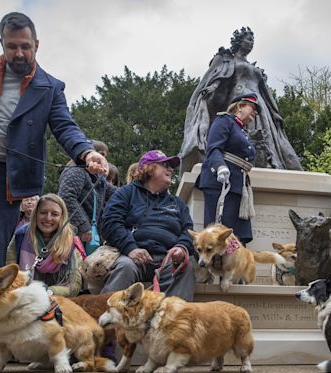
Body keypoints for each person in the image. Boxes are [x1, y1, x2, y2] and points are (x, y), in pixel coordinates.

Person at [0, 12, 107, 364]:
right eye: (12, 46)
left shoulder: (50, 87)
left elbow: (65, 127)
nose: (19, 53)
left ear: (36, 45)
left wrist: (86, 153)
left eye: (26, 46)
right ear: (2, 45)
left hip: (4, 181)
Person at [180, 26, 302, 174]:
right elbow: (214, 78)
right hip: (240, 103)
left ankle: (266, 164)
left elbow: (265, 92)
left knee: (265, 137)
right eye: (248, 39)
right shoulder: (225, 59)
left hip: (259, 106)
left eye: (253, 40)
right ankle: (244, 163)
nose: (251, 43)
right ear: (238, 41)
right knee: (243, 132)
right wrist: (212, 89)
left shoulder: (253, 67)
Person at [100, 150, 196, 301]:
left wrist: (182, 247)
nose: (170, 169)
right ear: (148, 168)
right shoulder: (125, 193)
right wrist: (131, 248)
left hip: (168, 260)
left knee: (187, 265)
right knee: (125, 267)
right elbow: (110, 223)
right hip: (131, 257)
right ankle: (104, 314)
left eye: (171, 166)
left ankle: (174, 320)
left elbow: (189, 231)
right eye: (165, 165)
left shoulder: (177, 203)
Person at [196, 94, 259, 245]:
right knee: (218, 236)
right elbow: (213, 148)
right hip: (220, 184)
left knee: (236, 239)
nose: (255, 113)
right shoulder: (224, 120)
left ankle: (234, 268)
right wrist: (220, 166)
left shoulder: (241, 131)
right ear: (240, 106)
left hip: (237, 185)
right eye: (253, 108)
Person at [7, 194, 84, 297]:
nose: (48, 218)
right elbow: (9, 272)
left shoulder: (70, 243)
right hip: (22, 294)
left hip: (56, 299)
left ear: (62, 217)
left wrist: (47, 291)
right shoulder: (20, 236)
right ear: (36, 214)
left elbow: (73, 286)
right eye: (43, 213)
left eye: (54, 214)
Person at [58, 140, 116, 249]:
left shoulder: (96, 177)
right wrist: (83, 226)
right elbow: (66, 197)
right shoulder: (76, 171)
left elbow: (115, 193)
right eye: (102, 155)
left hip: (86, 234)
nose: (104, 160)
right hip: (74, 233)